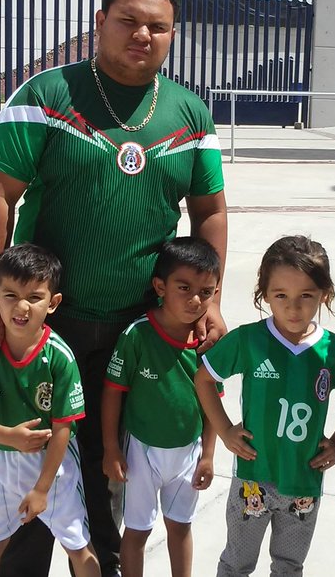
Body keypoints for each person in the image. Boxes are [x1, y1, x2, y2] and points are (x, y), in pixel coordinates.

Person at [0, 0, 228, 577]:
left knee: (115, 470)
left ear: (172, 35)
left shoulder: (190, 113)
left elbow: (209, 210)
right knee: (29, 455)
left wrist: (209, 299)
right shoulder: (46, 96)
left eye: (158, 27)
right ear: (100, 21)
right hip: (46, 327)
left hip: (139, 328)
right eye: (129, 20)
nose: (143, 34)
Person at [196, 235, 335, 577]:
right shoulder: (249, 340)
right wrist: (225, 430)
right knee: (236, 563)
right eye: (281, 295)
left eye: (306, 296)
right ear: (264, 294)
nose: (293, 307)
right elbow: (204, 379)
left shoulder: (333, 351)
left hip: (304, 480)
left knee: (289, 566)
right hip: (253, 478)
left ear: (324, 295)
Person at [0, 244, 100, 577]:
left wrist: (42, 488)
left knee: (78, 546)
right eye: (10, 295)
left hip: (54, 470)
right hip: (2, 466)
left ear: (53, 303)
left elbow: (64, 428)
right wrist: (9, 437)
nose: (21, 307)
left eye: (34, 298)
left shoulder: (60, 358)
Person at [101, 237, 221, 577]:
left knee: (180, 527)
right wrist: (111, 447)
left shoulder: (206, 345)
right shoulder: (137, 335)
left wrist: (209, 455)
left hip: (188, 453)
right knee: (137, 531)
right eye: (184, 287)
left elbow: (213, 404)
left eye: (207, 291)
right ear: (160, 286)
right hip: (141, 452)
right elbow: (112, 391)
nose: (196, 299)